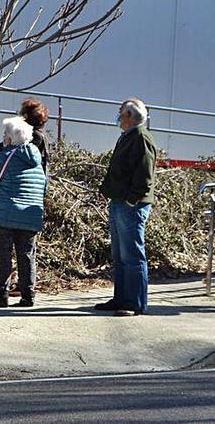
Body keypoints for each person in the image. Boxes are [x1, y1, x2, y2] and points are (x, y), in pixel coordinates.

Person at [94, 98, 157, 317]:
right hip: (120, 202)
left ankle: (135, 302)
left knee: (132, 254)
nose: (118, 116)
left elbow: (144, 175)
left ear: (130, 116)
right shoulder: (128, 136)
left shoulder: (140, 138)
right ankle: (121, 297)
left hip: (131, 205)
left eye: (121, 112)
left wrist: (131, 200)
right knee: (120, 255)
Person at [0, 117, 47, 308]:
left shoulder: (6, 156)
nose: (3, 137)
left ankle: (0, 294)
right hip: (30, 217)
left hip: (4, 213)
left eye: (5, 134)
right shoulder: (37, 160)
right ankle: (28, 295)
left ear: (11, 139)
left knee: (3, 255)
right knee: (27, 255)